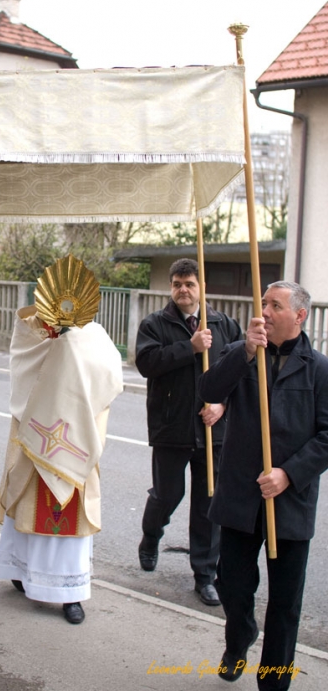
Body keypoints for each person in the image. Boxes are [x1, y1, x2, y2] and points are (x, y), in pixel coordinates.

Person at [200, 281, 328, 691]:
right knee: (231, 584)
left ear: (300, 315)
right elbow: (208, 390)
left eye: (276, 305)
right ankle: (239, 636)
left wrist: (289, 473)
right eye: (264, 303)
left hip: (289, 502)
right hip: (240, 493)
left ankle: (273, 687)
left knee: (286, 602)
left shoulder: (319, 369)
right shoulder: (243, 353)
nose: (266, 312)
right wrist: (243, 352)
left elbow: (327, 435)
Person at [0, 256, 124, 624]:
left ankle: (70, 593)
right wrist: (53, 342)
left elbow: (109, 377)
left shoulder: (94, 336)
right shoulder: (32, 331)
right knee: (28, 506)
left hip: (74, 439)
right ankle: (20, 570)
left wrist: (72, 344)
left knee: (68, 516)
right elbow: (22, 366)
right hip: (35, 438)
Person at [135, 258, 242, 606]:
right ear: (171, 287)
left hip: (213, 430)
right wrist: (190, 347)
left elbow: (242, 371)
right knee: (167, 494)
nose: (183, 290)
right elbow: (146, 363)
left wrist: (222, 404)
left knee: (209, 503)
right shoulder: (155, 324)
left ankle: (204, 575)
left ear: (202, 287)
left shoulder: (224, 325)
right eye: (178, 284)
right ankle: (151, 535)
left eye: (190, 284)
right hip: (172, 426)